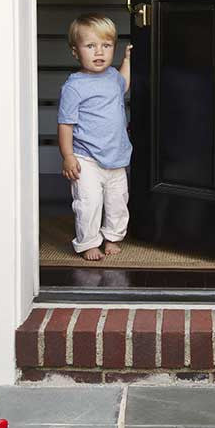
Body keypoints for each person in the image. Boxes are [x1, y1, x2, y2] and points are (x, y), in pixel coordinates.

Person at [57, 15, 132, 260]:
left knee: (117, 201)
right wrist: (68, 156)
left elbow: (123, 84)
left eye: (106, 46)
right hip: (86, 157)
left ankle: (112, 236)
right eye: (90, 46)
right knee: (88, 203)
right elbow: (65, 124)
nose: (99, 52)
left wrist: (127, 61)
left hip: (116, 155)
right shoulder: (74, 86)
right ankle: (89, 242)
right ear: (75, 52)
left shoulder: (112, 76)